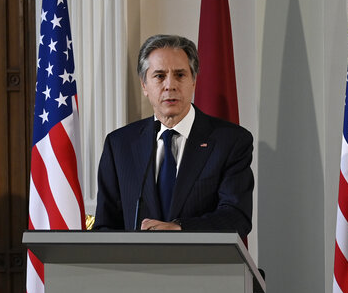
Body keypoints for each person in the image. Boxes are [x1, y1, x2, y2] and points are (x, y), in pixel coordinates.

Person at [94, 34, 253, 235]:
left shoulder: (230, 141)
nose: (170, 85)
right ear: (144, 85)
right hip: (137, 265)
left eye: (180, 75)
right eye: (159, 76)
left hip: (202, 264)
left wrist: (180, 228)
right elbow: (106, 225)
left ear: (194, 81)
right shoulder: (119, 145)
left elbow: (237, 218)